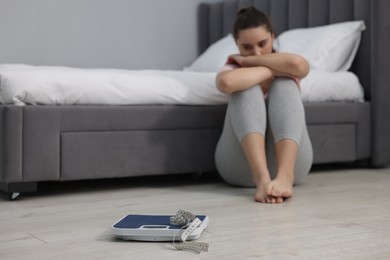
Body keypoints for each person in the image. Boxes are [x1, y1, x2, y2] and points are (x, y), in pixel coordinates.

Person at [215, 6, 313, 204]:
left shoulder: (287, 62)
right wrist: (272, 70)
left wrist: (257, 62)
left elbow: (299, 66)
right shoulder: (233, 66)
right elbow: (226, 83)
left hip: (295, 168)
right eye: (247, 48)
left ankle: (285, 176)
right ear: (237, 45)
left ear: (273, 36)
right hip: (240, 168)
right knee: (246, 87)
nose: (255, 52)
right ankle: (261, 179)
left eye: (262, 44)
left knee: (285, 84)